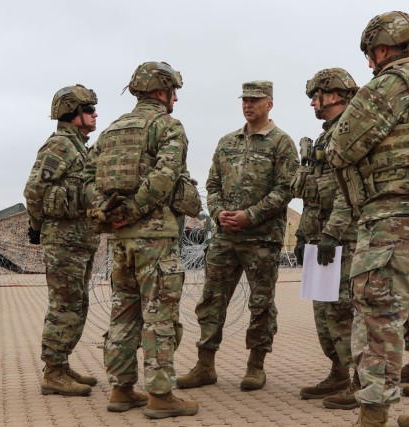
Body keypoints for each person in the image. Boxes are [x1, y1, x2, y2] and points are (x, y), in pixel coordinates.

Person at [326, 11, 409, 426]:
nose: (370, 61)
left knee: (380, 318)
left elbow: (340, 148)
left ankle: (373, 415)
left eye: (371, 53)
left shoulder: (386, 86)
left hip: (393, 219)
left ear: (382, 49)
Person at [83, 61, 198, 418]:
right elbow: (166, 175)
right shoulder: (167, 126)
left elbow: (86, 175)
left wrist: (105, 209)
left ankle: (121, 389)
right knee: (159, 318)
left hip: (119, 239)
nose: (175, 98)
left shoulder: (112, 130)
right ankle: (161, 395)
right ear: (162, 92)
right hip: (155, 239)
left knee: (124, 313)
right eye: (173, 91)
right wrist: (133, 210)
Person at [177, 80, 299, 392]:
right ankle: (205, 365)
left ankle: (256, 366)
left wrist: (251, 215)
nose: (249, 105)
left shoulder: (281, 143)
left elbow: (285, 189)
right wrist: (217, 213)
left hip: (261, 240)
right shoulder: (227, 141)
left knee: (261, 304)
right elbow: (212, 182)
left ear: (269, 103)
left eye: (255, 100)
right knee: (211, 301)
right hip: (225, 238)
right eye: (245, 99)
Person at [290, 68, 361, 409]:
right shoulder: (325, 136)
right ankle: (338, 371)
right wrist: (305, 234)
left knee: (345, 310)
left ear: (333, 95)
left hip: (344, 237)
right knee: (324, 311)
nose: (312, 104)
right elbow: (313, 195)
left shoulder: (351, 133)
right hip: (322, 235)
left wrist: (332, 233)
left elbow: (349, 192)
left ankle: (361, 380)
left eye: (316, 97)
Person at [24, 84, 101, 397]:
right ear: (73, 114)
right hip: (64, 242)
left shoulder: (77, 146)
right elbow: (33, 191)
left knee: (77, 304)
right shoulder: (60, 146)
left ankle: (61, 363)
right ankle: (53, 371)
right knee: (64, 305)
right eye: (89, 110)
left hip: (80, 240)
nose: (95, 115)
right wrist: (37, 225)